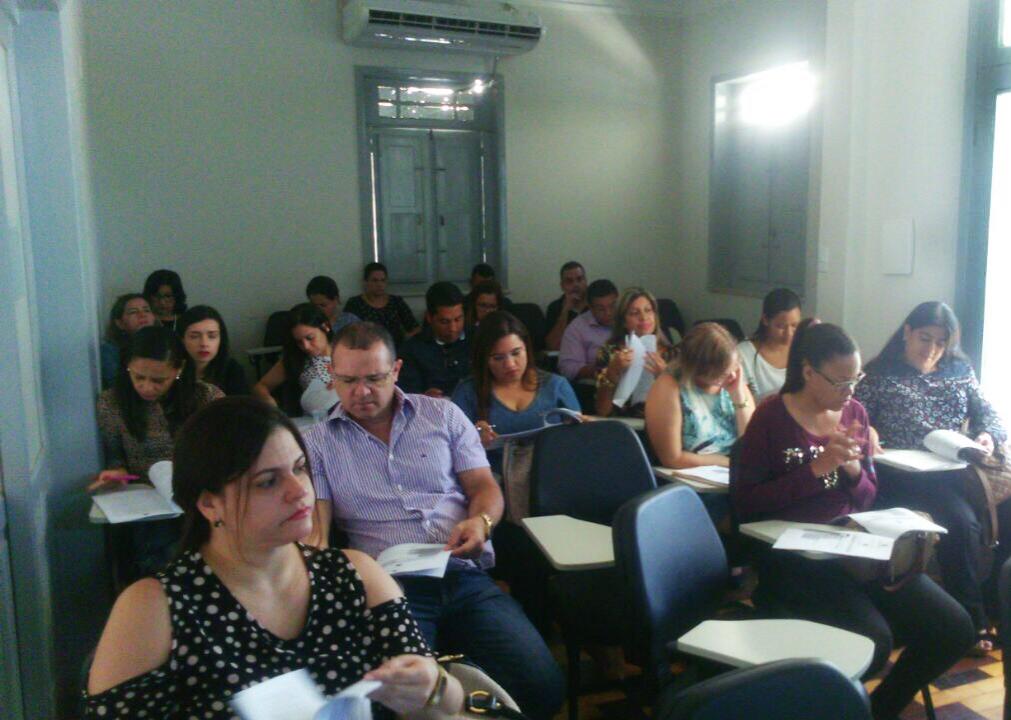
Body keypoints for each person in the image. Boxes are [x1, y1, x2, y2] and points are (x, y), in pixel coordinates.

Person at [83, 396, 464, 719]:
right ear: (209, 504)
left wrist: (433, 686)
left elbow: (448, 703)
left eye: (299, 468)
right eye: (267, 482)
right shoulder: (156, 607)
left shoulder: (355, 575)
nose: (299, 491)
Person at [304, 322, 564, 719]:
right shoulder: (318, 442)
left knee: (543, 686)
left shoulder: (442, 415)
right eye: (348, 381)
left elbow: (484, 487)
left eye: (374, 379)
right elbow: (318, 532)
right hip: (390, 591)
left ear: (396, 370)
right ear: (332, 377)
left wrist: (480, 523)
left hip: (462, 573)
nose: (361, 392)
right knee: (403, 702)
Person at [731, 322, 973, 720]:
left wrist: (854, 471)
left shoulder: (855, 413)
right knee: (873, 640)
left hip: (855, 550)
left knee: (954, 628)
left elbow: (867, 496)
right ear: (808, 372)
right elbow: (748, 504)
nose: (850, 392)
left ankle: (877, 710)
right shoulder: (771, 417)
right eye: (840, 382)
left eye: (855, 379)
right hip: (793, 558)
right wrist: (817, 469)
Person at [856, 301, 1009, 652]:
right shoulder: (880, 373)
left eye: (941, 342)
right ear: (907, 332)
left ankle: (997, 607)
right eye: (925, 339)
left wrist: (987, 435)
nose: (932, 350)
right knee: (962, 523)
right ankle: (971, 621)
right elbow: (854, 416)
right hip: (905, 474)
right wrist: (869, 431)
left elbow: (989, 415)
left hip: (956, 468)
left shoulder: (959, 369)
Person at [92, 326, 223, 576]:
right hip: (148, 504)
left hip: (197, 495)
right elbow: (116, 455)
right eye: (138, 376)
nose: (146, 387)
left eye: (158, 380)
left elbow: (226, 449)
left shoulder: (206, 398)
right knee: (158, 552)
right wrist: (116, 472)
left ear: (179, 370)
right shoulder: (112, 402)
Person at [452, 310, 580, 472]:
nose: (510, 364)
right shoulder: (467, 392)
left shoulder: (556, 386)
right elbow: (450, 448)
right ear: (484, 359)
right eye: (498, 358)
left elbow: (579, 442)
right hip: (492, 478)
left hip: (553, 473)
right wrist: (472, 439)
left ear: (527, 348)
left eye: (516, 353)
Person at [645, 322, 754, 469]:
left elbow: (751, 444)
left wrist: (738, 396)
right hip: (694, 473)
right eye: (722, 373)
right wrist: (727, 463)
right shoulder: (668, 387)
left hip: (735, 469)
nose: (732, 376)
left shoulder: (733, 380)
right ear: (700, 369)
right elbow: (672, 459)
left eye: (734, 368)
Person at [594, 287, 673, 418]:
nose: (644, 317)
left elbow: (685, 407)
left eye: (648, 310)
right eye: (634, 313)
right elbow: (602, 411)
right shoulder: (608, 352)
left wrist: (666, 378)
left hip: (662, 422)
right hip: (622, 424)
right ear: (623, 321)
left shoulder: (673, 354)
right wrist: (611, 374)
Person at [252, 304, 334, 408]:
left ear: (326, 327)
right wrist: (269, 401)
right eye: (299, 342)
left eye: (310, 338)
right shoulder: (297, 358)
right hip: (314, 414)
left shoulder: (345, 352)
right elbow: (260, 387)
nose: (306, 346)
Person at [398, 281, 470, 398]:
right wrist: (422, 397)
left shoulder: (477, 340)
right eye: (445, 322)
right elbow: (406, 396)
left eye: (458, 319)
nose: (453, 328)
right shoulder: (411, 350)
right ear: (429, 318)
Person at [737, 288, 802, 402]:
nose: (789, 334)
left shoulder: (803, 350)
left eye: (794, 325)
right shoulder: (743, 354)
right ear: (765, 320)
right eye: (781, 326)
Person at [343, 262, 420, 347]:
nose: (379, 285)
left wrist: (404, 341)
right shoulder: (355, 303)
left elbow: (415, 328)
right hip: (367, 349)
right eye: (375, 281)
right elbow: (346, 333)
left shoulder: (396, 302)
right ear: (366, 282)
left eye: (383, 280)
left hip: (396, 349)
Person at [177, 305, 249, 396]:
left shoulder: (232, 369)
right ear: (182, 339)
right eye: (194, 336)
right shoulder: (173, 369)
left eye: (212, 336)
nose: (204, 343)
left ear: (221, 339)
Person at [558, 278, 618, 382]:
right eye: (601, 309)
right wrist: (600, 370)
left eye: (612, 306)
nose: (608, 313)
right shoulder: (577, 328)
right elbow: (567, 368)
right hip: (595, 384)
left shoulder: (628, 318)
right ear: (590, 307)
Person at [100, 293, 156, 389]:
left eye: (146, 310)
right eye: (133, 312)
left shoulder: (166, 344)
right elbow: (118, 386)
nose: (142, 315)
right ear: (120, 323)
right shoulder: (109, 351)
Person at [544, 261, 588, 351]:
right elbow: (552, 346)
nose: (576, 285)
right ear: (562, 286)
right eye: (569, 281)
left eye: (579, 279)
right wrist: (565, 311)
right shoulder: (555, 307)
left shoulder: (596, 305)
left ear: (586, 282)